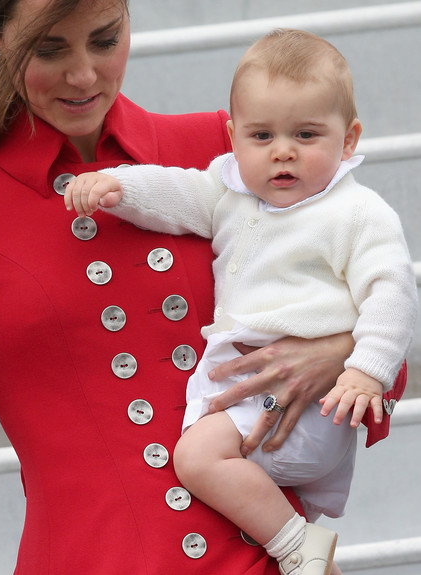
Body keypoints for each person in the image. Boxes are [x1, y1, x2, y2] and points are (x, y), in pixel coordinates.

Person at [64, 29, 418, 575]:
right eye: (262, 135)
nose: (283, 151)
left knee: (196, 458)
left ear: (348, 140)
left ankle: (299, 548)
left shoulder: (358, 212)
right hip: (248, 392)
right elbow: (176, 193)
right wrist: (116, 185)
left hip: (311, 403)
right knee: (205, 455)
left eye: (306, 134)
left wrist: (366, 371)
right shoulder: (232, 193)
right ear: (232, 138)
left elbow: (392, 289)